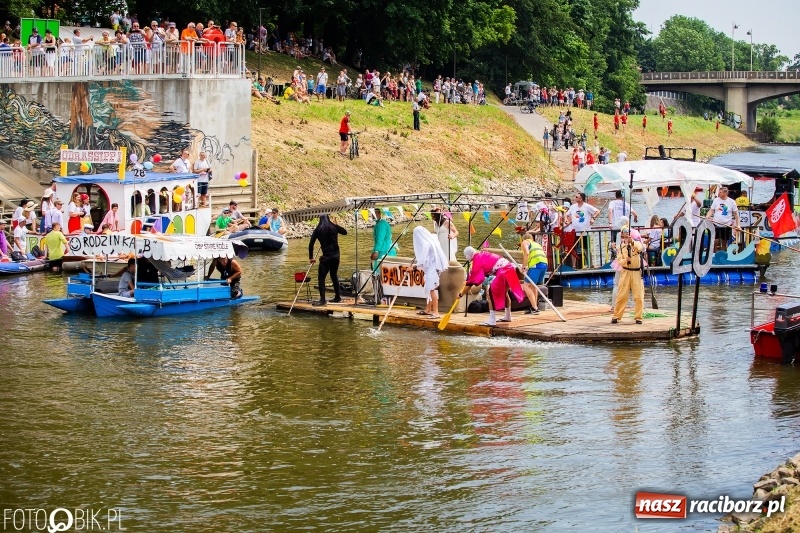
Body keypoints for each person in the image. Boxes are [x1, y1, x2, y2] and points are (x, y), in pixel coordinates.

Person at [461, 246, 525, 326]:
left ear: (468, 255)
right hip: (510, 268)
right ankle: (508, 316)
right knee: (505, 293)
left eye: (465, 256)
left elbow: (474, 281)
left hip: (503, 271)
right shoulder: (482, 254)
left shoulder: (477, 260)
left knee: (490, 293)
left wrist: (461, 294)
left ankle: (492, 320)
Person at [308, 214, 347, 306]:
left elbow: (311, 245)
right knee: (333, 275)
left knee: (321, 277)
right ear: (328, 218)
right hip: (336, 256)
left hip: (327, 257)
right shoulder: (333, 226)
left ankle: (322, 300)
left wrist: (311, 258)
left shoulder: (318, 230)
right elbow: (345, 232)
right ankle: (337, 297)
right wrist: (336, 225)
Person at [412, 226, 449, 318]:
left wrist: (415, 266)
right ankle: (428, 309)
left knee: (431, 290)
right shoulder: (431, 240)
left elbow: (423, 258)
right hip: (430, 269)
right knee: (428, 289)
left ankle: (436, 312)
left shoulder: (426, 244)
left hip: (432, 269)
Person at [611, 227, 645, 325]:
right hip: (626, 272)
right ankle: (617, 316)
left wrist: (632, 242)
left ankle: (638, 317)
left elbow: (641, 248)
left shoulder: (636, 243)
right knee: (621, 295)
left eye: (628, 232)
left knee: (638, 295)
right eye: (624, 232)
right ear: (622, 234)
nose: (626, 234)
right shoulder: (621, 246)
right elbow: (619, 259)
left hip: (636, 272)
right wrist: (626, 260)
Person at [564, 193, 599, 269]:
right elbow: (566, 214)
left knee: (586, 249)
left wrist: (593, 218)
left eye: (576, 197)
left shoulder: (587, 206)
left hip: (584, 232)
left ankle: (590, 264)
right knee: (574, 249)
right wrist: (566, 219)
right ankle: (573, 266)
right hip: (575, 232)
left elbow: (597, 211)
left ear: (581, 199)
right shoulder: (573, 207)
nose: (575, 197)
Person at [520, 231, 547, 314]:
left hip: (536, 265)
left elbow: (527, 253)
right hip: (544, 264)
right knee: (533, 286)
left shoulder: (525, 242)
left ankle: (535, 308)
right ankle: (534, 306)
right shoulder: (536, 244)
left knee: (526, 286)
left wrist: (523, 267)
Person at [706, 186, 739, 251]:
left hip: (727, 225)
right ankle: (713, 255)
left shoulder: (731, 202)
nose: (718, 194)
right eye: (719, 192)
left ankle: (724, 256)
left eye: (720, 192)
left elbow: (736, 214)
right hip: (716, 224)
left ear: (725, 193)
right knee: (715, 241)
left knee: (724, 242)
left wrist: (738, 225)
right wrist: (707, 216)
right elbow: (711, 210)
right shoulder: (716, 200)